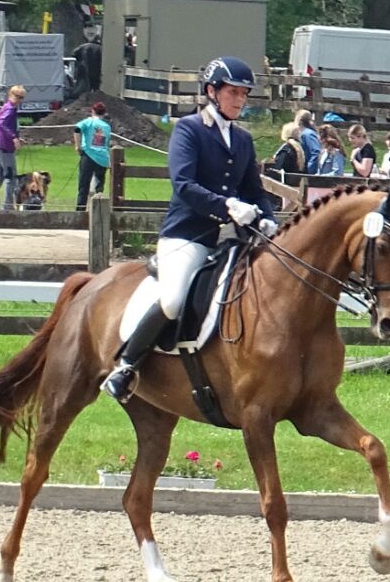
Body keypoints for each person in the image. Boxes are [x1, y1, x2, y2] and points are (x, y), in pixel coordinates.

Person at [101, 56, 276, 402]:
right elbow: (183, 184)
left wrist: (268, 218)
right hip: (187, 236)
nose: (240, 100)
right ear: (212, 91)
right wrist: (227, 205)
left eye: (244, 94)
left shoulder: (242, 139)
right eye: (233, 92)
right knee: (173, 300)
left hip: (231, 240)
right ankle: (126, 366)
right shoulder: (189, 129)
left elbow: (254, 191)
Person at [0, 86, 25, 211]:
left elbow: (7, 125)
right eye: (17, 97)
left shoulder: (6, 107)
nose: (19, 100)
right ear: (11, 95)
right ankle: (8, 207)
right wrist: (13, 138)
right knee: (10, 177)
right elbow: (2, 124)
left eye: (21, 98)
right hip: (5, 146)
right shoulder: (10, 109)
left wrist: (17, 137)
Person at [74, 100, 112, 210]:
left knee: (84, 186)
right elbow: (106, 143)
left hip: (89, 156)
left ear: (92, 111)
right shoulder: (107, 126)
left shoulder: (89, 121)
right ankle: (98, 210)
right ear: (104, 113)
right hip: (103, 158)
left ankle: (80, 211)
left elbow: (77, 129)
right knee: (99, 187)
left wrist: (78, 146)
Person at [295, 109, 321, 174]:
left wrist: (309, 170)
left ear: (300, 121)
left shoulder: (308, 134)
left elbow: (316, 151)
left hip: (306, 171)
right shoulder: (302, 133)